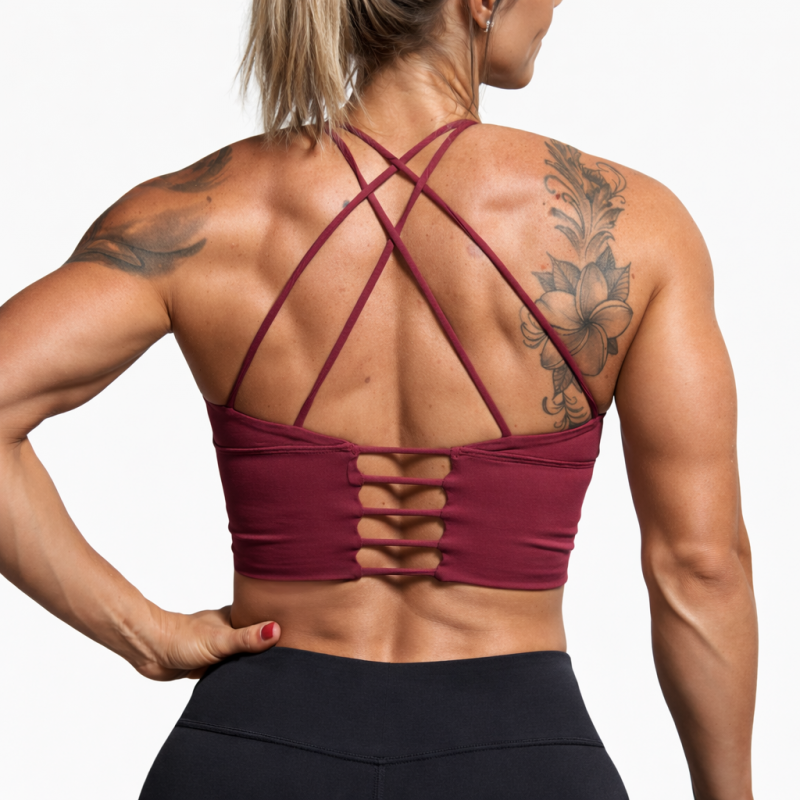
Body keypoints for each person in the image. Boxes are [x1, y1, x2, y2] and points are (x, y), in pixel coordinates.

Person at [0, 0, 757, 797]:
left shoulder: (201, 214)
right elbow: (699, 567)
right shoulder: (635, 230)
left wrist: (145, 635)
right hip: (519, 758)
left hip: (252, 755)